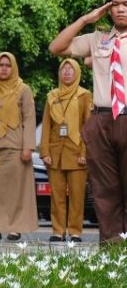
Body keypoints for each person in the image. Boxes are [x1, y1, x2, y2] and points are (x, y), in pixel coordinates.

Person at [49, 0, 127, 244]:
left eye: (125, 4)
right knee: (105, 190)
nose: (120, 9)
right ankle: (112, 253)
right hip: (102, 119)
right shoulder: (99, 39)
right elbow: (57, 47)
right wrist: (85, 19)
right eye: (115, 4)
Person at [0, 52, 38, 241]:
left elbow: (29, 118)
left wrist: (28, 147)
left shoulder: (23, 89)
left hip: (16, 148)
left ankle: (16, 228)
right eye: (1, 65)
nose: (4, 68)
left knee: (17, 191)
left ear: (14, 67)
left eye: (8, 65)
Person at [39, 59, 91, 242]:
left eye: (71, 69)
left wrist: (85, 153)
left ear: (77, 72)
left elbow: (88, 126)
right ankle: (58, 230)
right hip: (55, 152)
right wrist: (44, 152)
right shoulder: (52, 96)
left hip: (77, 152)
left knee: (77, 195)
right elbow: (46, 125)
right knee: (57, 195)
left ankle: (75, 231)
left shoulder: (85, 95)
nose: (67, 72)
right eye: (64, 69)